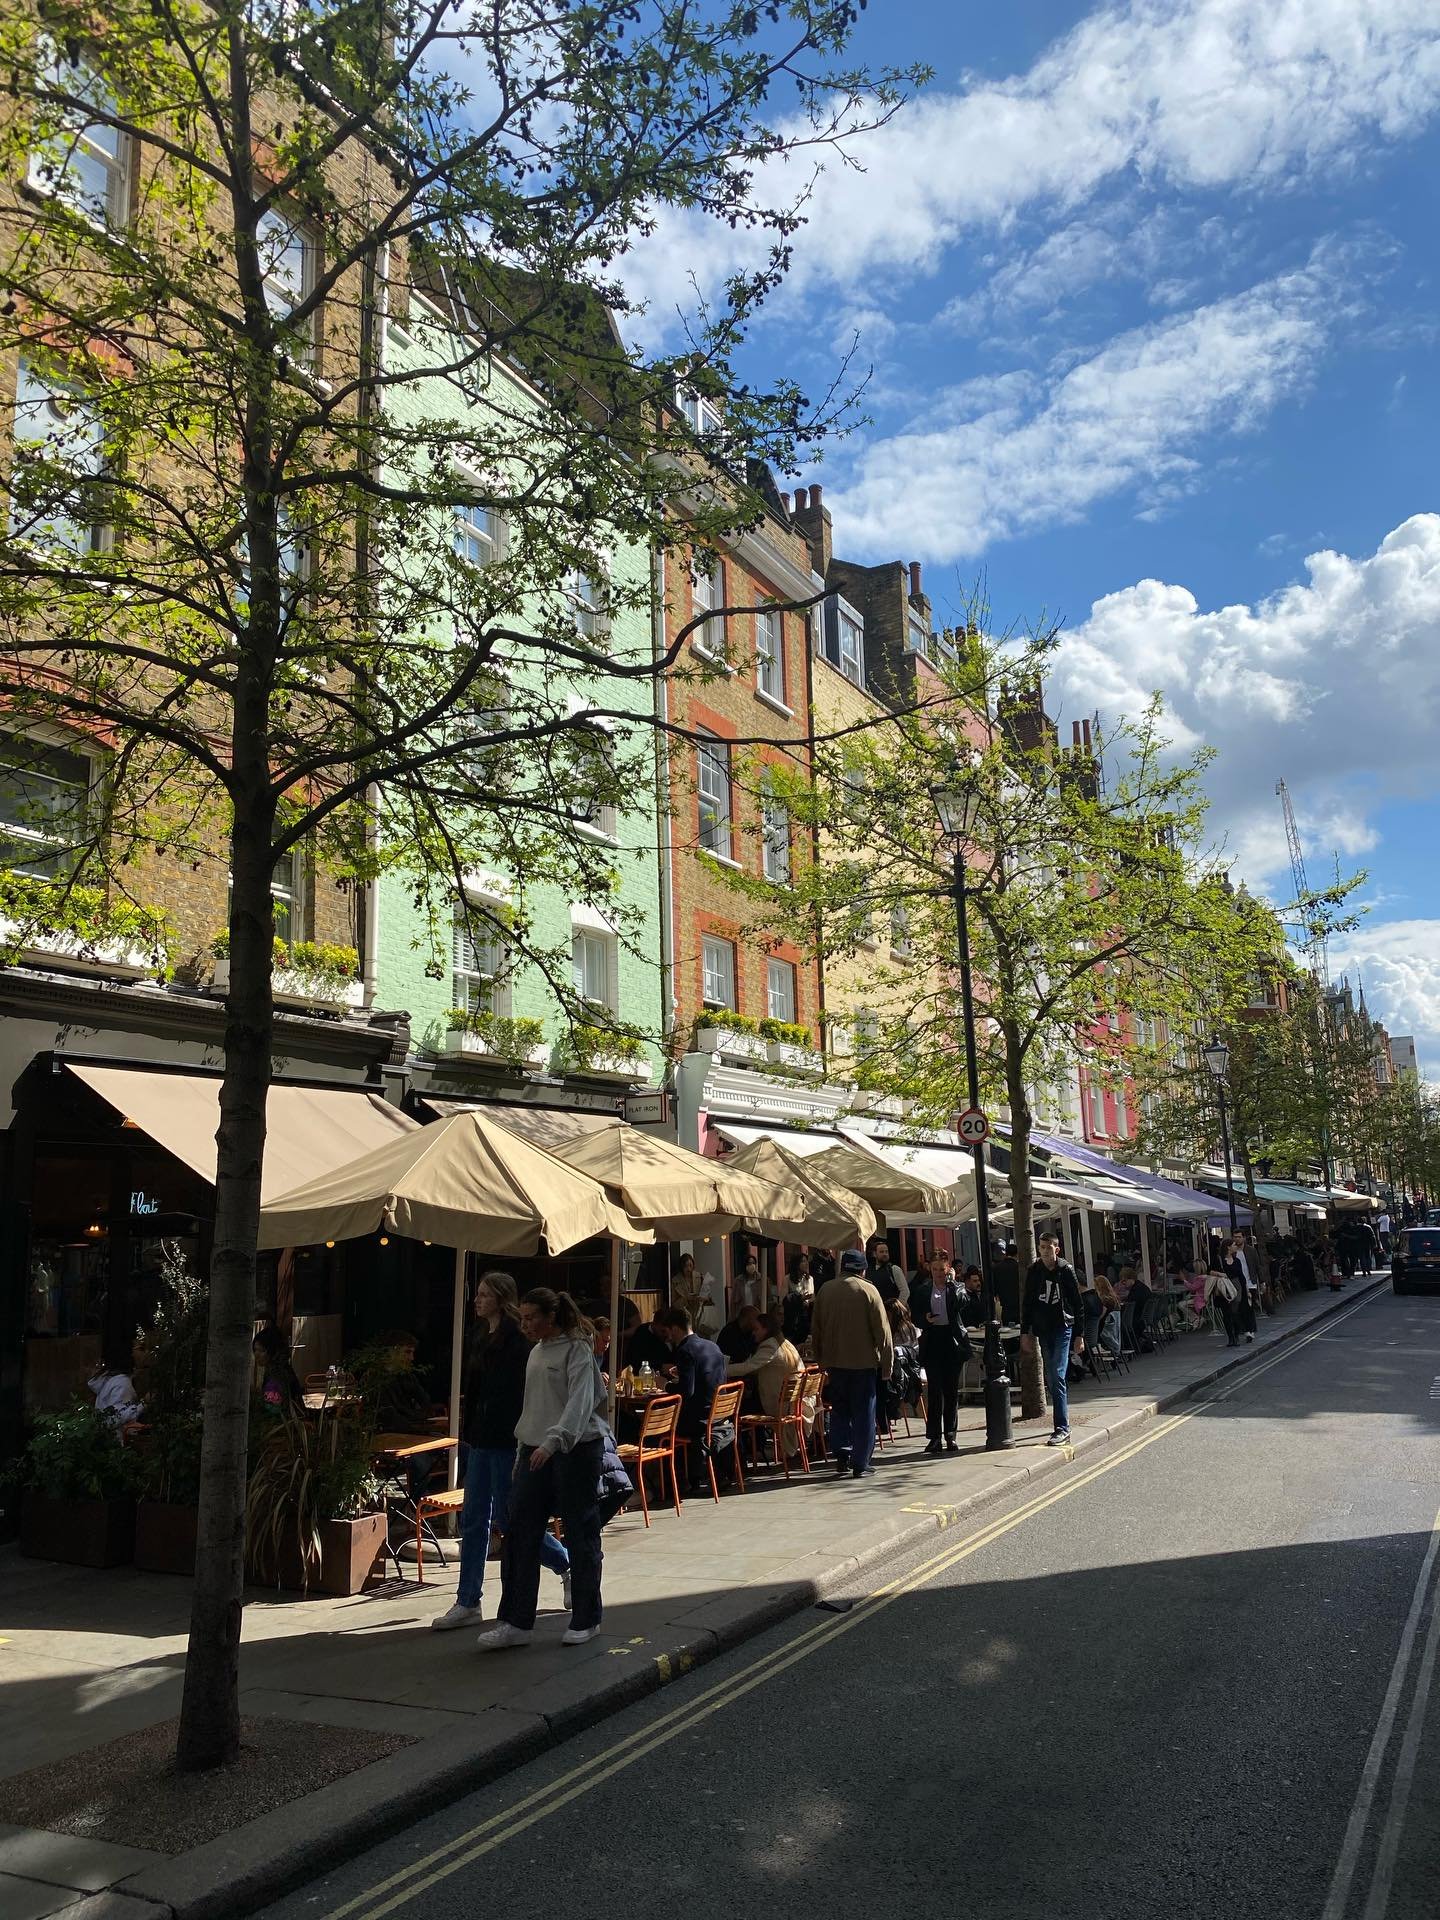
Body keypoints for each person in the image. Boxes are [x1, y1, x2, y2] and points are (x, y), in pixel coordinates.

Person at [432, 1271, 570, 1632]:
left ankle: (566, 1564)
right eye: (477, 1294)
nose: (476, 1300)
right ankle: (467, 1600)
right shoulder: (481, 1335)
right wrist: (468, 1433)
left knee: (511, 1521)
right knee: (474, 1520)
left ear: (501, 1299)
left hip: (509, 1443)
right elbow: (475, 1391)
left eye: (483, 1295)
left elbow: (522, 1395)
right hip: (480, 1441)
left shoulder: (518, 1341)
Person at [476, 1288, 606, 1652]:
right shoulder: (535, 1352)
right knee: (518, 1532)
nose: (527, 1324)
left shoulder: (577, 1348)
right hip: (534, 1449)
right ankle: (517, 1621)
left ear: (552, 1317)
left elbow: (583, 1401)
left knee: (580, 1532)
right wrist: (524, 1450)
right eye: (524, 1317)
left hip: (576, 1449)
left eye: (533, 1317)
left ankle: (586, 1617)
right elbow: (533, 1408)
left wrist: (555, 1441)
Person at [811, 1248, 893, 1480]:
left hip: (835, 1363)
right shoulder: (869, 1290)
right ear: (863, 1269)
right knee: (864, 1413)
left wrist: (821, 1361)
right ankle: (861, 1462)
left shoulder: (826, 1290)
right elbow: (883, 1333)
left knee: (839, 1411)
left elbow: (816, 1330)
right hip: (863, 1363)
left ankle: (842, 1455)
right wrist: (887, 1366)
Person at [1021, 1231, 1084, 1447]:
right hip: (1043, 1329)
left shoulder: (1065, 1270)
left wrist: (1079, 1335)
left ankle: (1062, 1428)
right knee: (1052, 1376)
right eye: (1042, 1247)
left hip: (1063, 1328)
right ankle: (1061, 1425)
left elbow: (1078, 1303)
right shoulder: (1034, 1271)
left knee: (1057, 1375)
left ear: (1057, 1249)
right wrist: (1025, 1333)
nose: (1045, 1251)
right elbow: (1027, 1304)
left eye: (1049, 1247)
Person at [908, 1245, 971, 1456]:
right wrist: (924, 1319)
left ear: (948, 1269)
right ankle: (934, 1437)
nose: (939, 1274)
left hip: (952, 1341)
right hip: (933, 1339)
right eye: (935, 1270)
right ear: (930, 1269)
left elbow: (962, 1303)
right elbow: (914, 1314)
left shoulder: (957, 1287)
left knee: (951, 1392)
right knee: (934, 1392)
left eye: (942, 1270)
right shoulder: (923, 1290)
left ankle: (950, 1435)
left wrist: (952, 1282)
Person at [656, 1304, 728, 1489]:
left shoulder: (685, 1350)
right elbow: (711, 1380)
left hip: (699, 1420)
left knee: (654, 1430)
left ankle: (670, 1482)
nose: (668, 1336)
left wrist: (666, 1385)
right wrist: (682, 1376)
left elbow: (686, 1393)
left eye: (668, 1331)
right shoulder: (713, 1347)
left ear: (675, 1328)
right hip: (719, 1414)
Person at [726, 1309, 802, 1447]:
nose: (753, 1333)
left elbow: (748, 1367)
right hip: (790, 1403)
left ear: (766, 1329)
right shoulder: (784, 1343)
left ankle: (745, 1452)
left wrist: (719, 1370)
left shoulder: (770, 1345)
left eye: (756, 1329)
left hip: (777, 1404)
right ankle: (755, 1447)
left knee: (734, 1409)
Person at [884, 1299, 924, 1428]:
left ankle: (887, 1414)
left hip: (903, 1372)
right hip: (913, 1370)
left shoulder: (899, 1331)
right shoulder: (912, 1328)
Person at [88, 1353, 144, 1430]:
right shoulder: (122, 1383)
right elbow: (118, 1416)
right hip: (117, 1437)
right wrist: (143, 1405)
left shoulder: (110, 1381)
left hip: (107, 1436)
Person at [252, 1325, 301, 1412]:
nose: (257, 1355)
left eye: (262, 1351)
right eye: (255, 1350)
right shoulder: (278, 1369)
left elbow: (273, 1411)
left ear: (273, 1352)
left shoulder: (277, 1375)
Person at [782, 1252, 814, 1346]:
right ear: (796, 1264)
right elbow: (783, 1299)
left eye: (807, 1261)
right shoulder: (787, 1279)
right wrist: (799, 1298)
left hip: (805, 1317)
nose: (806, 1264)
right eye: (803, 1261)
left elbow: (812, 1297)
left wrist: (808, 1301)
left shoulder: (809, 1279)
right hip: (792, 1319)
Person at [867, 1236, 908, 1308]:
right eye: (881, 1252)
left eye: (886, 1251)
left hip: (892, 1312)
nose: (885, 1254)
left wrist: (898, 1308)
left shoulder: (894, 1269)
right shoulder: (868, 1270)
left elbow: (905, 1291)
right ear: (874, 1254)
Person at [717, 1302, 761, 1367]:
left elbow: (755, 1350)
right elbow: (736, 1357)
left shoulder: (750, 1332)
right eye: (756, 1319)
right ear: (747, 1319)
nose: (758, 1323)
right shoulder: (729, 1332)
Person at [959, 1264, 987, 1329]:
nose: (978, 1283)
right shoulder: (964, 1297)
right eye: (975, 1281)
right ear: (967, 1282)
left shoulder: (979, 1295)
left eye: (978, 1280)